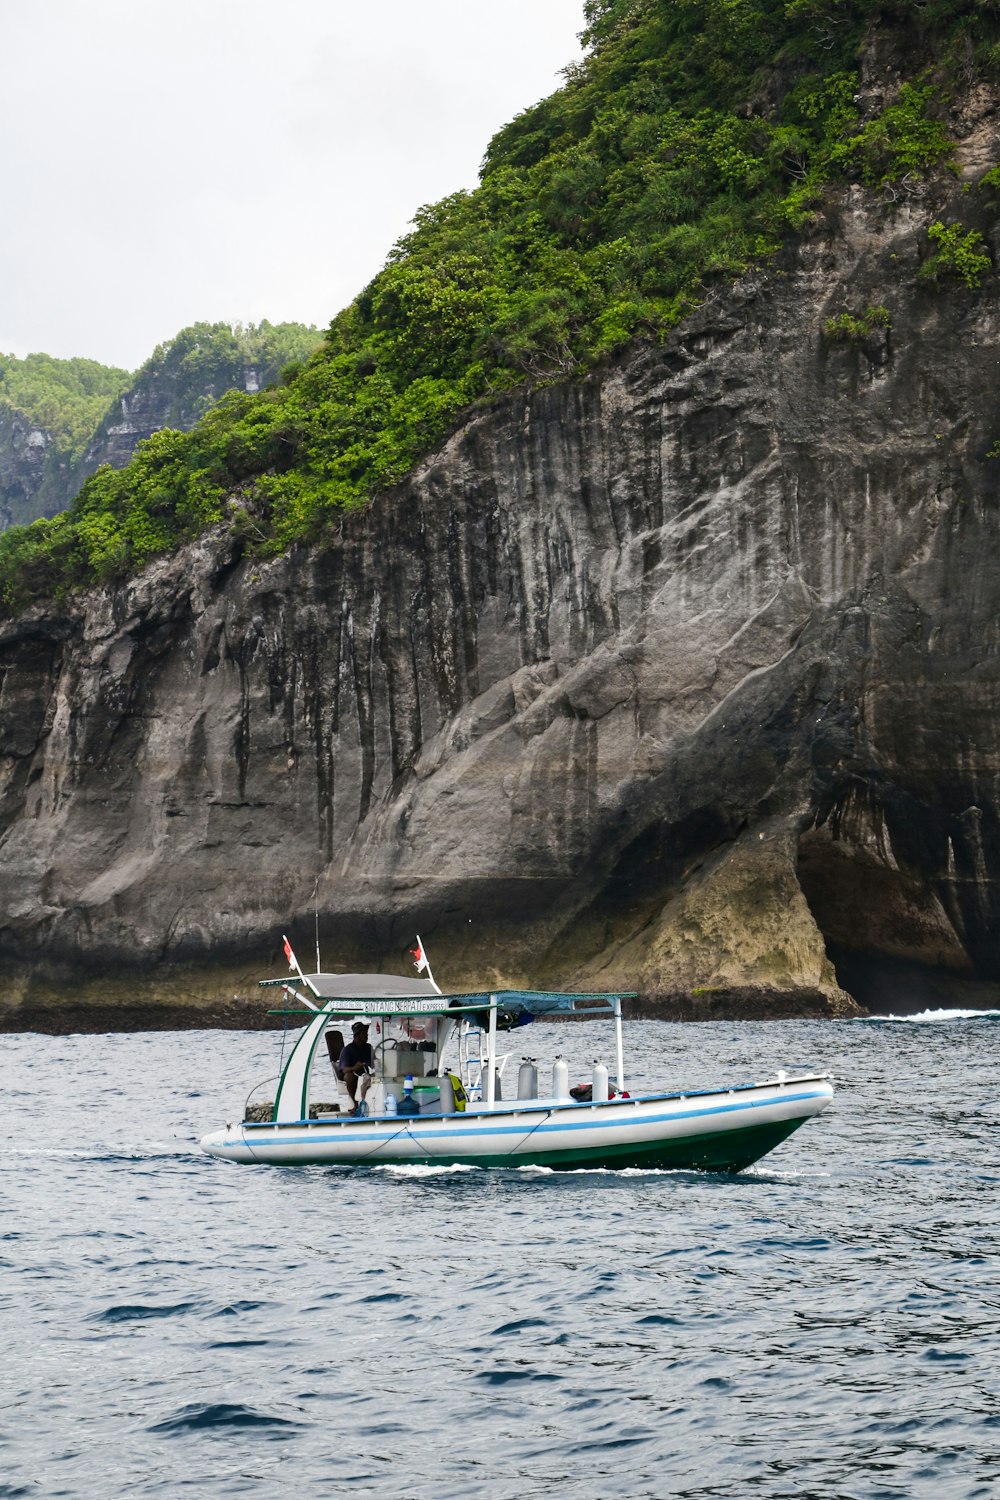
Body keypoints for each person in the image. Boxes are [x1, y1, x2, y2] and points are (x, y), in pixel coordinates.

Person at [339, 1021, 375, 1115]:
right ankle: (355, 1103)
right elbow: (344, 1069)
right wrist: (355, 1067)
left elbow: (374, 1063)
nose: (366, 1036)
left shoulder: (368, 1047)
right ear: (357, 1035)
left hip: (367, 1074)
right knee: (348, 1076)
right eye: (364, 1034)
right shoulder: (348, 1050)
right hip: (355, 1075)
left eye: (366, 1033)